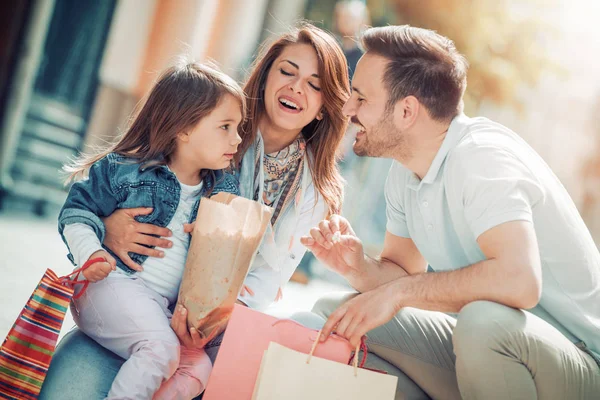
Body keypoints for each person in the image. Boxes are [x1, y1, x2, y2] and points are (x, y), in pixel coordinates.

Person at [40, 23, 352, 399]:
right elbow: (118, 184)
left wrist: (211, 319)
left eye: (315, 85)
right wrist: (106, 228)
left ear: (323, 106)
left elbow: (267, 281)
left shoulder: (316, 191)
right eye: (287, 71)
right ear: (265, 77)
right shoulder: (212, 124)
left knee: (214, 366)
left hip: (213, 331)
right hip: (134, 298)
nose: (297, 88)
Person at [301, 25, 600, 399]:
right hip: (492, 352)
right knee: (342, 317)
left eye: (361, 98)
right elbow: (401, 277)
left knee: (482, 325)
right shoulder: (405, 172)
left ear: (407, 110)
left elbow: (519, 280)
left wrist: (399, 293)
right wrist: (358, 266)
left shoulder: (481, 158)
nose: (348, 110)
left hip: (583, 360)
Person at [57, 62, 244, 399]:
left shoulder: (222, 188)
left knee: (198, 368)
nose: (237, 138)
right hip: (110, 287)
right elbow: (76, 211)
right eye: (226, 127)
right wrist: (93, 253)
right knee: (160, 349)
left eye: (239, 127)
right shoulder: (127, 170)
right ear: (184, 129)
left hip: (160, 308)